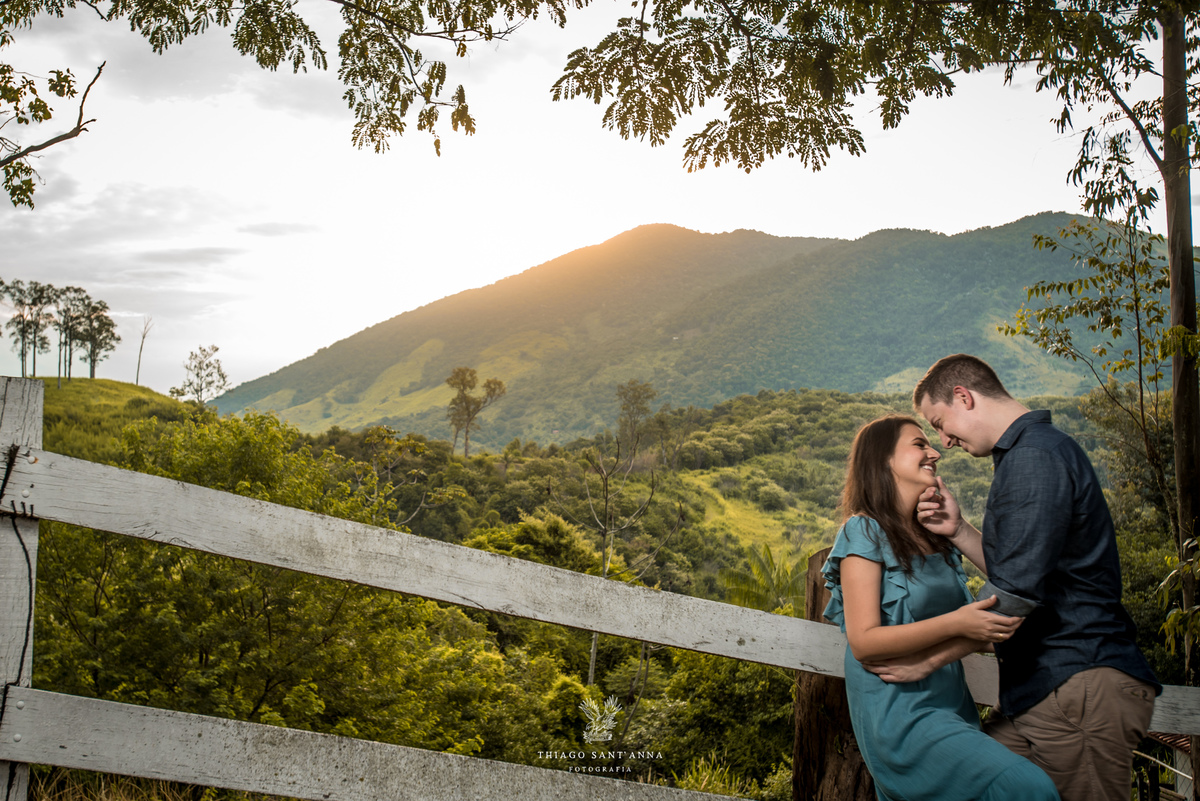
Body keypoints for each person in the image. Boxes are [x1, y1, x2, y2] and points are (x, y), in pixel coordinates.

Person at [868, 353, 1159, 801]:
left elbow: (1016, 593)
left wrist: (932, 658)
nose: (943, 442)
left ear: (963, 397)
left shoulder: (1034, 457)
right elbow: (1031, 572)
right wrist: (960, 531)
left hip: (1077, 680)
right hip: (1040, 692)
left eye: (940, 422)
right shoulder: (1027, 457)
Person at [822, 414, 1060, 801]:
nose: (934, 452)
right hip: (899, 713)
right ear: (884, 460)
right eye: (919, 444)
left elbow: (998, 611)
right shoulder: (862, 531)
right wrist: (960, 622)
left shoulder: (937, 536)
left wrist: (960, 528)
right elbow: (864, 642)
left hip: (952, 704)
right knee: (1029, 788)